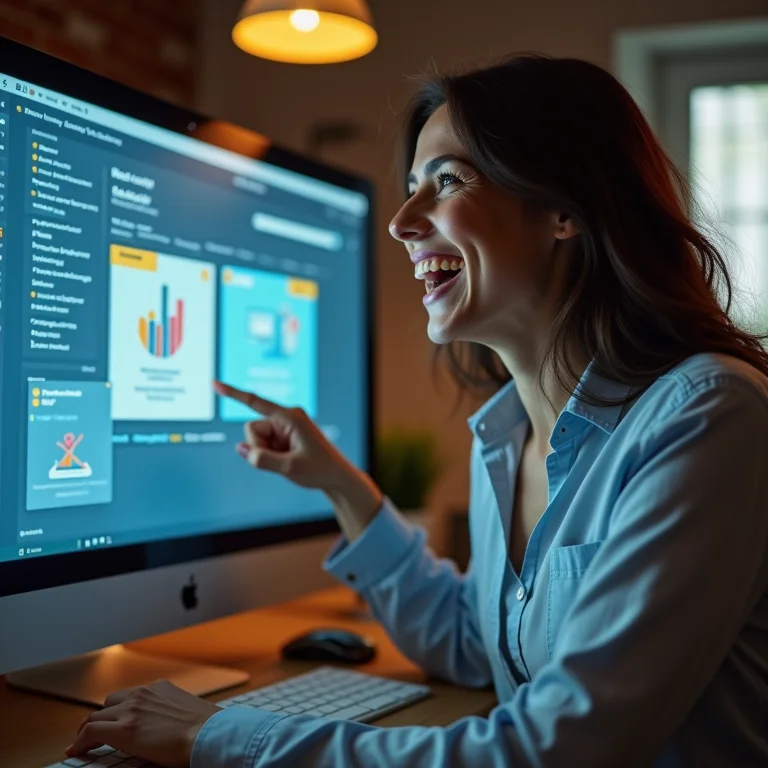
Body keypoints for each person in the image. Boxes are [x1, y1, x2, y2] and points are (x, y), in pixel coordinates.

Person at [66, 54, 768, 767]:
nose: (402, 222)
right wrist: (345, 486)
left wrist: (212, 735)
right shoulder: (507, 433)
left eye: (447, 180)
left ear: (565, 208)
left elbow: (561, 749)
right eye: (410, 189)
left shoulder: (708, 416)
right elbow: (477, 641)